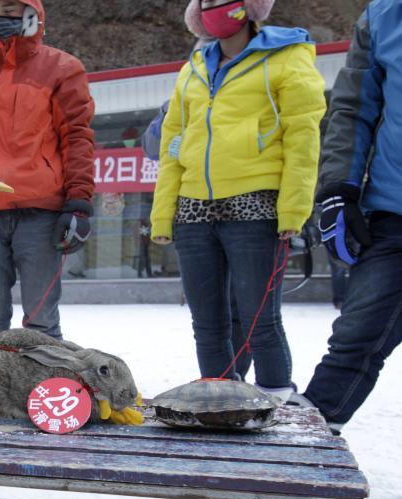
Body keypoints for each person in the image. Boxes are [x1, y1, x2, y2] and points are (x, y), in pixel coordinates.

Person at [151, 0, 326, 402]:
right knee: (207, 323)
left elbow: (303, 139)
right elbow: (172, 145)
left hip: (256, 206)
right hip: (193, 212)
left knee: (259, 320)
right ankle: (220, 402)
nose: (214, 7)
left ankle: (278, 402)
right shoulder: (192, 68)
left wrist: (294, 209)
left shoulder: (287, 58)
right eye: (206, 1)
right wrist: (164, 215)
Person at [0, 0, 95, 348]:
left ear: (31, 10)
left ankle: (41, 394)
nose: (1, 16)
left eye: (11, 8)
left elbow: (77, 137)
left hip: (41, 212)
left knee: (42, 322)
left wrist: (78, 203)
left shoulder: (62, 69)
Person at [296, 0, 402, 433]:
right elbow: (354, 107)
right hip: (393, 210)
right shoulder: (383, 14)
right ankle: (302, 450)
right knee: (353, 339)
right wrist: (339, 188)